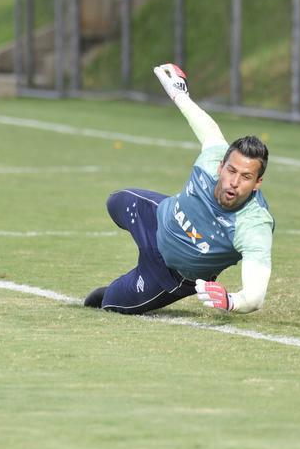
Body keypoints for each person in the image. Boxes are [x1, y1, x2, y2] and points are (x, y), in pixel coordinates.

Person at [84, 63, 274, 315]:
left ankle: (119, 288)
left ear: (257, 183)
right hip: (155, 217)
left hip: (168, 274)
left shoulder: (253, 225)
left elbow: (255, 296)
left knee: (107, 302)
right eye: (231, 171)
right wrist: (179, 94)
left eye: (246, 177)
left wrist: (232, 301)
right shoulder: (211, 162)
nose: (235, 181)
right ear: (221, 166)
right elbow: (209, 130)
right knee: (114, 201)